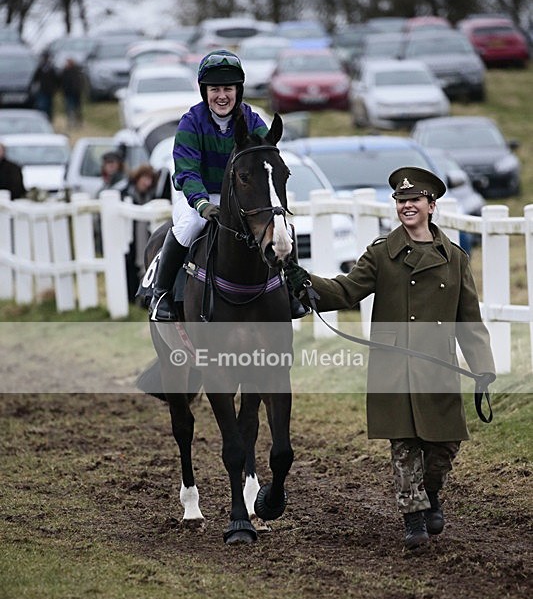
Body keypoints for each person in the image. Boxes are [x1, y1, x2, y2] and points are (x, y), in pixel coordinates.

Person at [286, 167, 496, 553]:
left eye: (414, 200)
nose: (407, 206)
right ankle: (413, 517)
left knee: (445, 444)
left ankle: (431, 494)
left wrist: (483, 368)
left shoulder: (454, 258)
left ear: (431, 206)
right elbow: (347, 291)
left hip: (438, 366)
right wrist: (304, 280)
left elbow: (469, 318)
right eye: (401, 201)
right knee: (405, 445)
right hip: (394, 366)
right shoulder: (383, 254)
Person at [148, 49, 306, 321]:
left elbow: (263, 163)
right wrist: (202, 204)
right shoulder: (191, 123)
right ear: (204, 91)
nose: (222, 95)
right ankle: (161, 294)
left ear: (238, 91)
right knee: (188, 227)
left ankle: (292, 291)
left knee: (284, 229)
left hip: (241, 196)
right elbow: (187, 171)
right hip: (198, 195)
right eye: (215, 89)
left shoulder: (253, 120)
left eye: (228, 89)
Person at [123, 163, 160, 302]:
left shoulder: (152, 196)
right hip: (132, 241)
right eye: (144, 178)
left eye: (150, 179)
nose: (147, 182)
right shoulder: (127, 195)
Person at [30, 50, 58, 122]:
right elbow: (35, 78)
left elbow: (56, 79)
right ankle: (42, 120)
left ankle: (49, 120)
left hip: (50, 91)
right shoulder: (40, 68)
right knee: (42, 106)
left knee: (49, 107)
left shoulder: (52, 68)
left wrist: (55, 89)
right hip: (42, 91)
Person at [61, 57, 85, 128]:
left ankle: (79, 123)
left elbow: (80, 82)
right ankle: (71, 123)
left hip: (76, 94)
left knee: (77, 109)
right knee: (69, 108)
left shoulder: (76, 71)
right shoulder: (65, 71)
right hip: (68, 93)